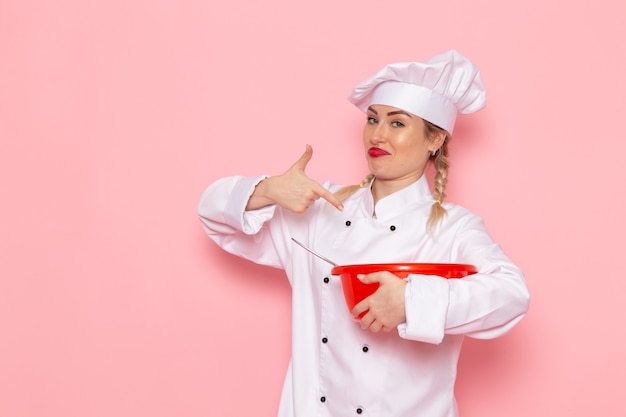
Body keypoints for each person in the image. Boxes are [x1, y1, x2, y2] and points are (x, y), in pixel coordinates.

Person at [197, 50, 530, 417]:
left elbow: (511, 295)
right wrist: (268, 189)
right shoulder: (319, 209)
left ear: (435, 140)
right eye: (373, 119)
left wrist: (411, 301)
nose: (378, 134)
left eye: (397, 123)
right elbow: (212, 213)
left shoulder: (453, 228)